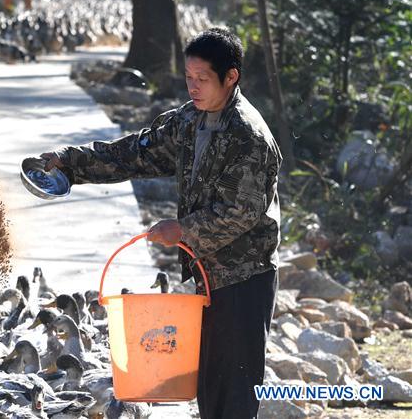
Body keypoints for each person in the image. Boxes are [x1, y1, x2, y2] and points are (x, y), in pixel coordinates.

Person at [40, 27, 281, 419]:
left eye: (203, 79)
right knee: (208, 389)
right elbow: (135, 152)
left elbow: (240, 212)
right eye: (189, 77)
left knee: (235, 394)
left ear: (231, 76)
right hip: (207, 275)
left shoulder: (248, 136)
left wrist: (183, 230)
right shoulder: (191, 120)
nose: (193, 87)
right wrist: (71, 161)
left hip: (245, 278)